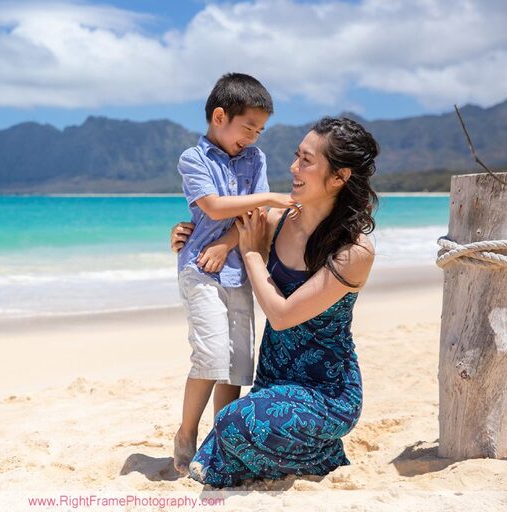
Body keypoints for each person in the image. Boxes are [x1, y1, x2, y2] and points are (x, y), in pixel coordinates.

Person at [170, 116, 378, 488]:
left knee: (233, 422)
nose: (293, 168)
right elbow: (218, 230)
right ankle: (302, 452)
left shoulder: (353, 251)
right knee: (235, 419)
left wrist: (252, 255)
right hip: (273, 383)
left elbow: (282, 316)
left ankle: (322, 452)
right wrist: (183, 235)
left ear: (339, 177)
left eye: (307, 161)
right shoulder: (277, 219)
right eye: (296, 157)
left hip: (325, 392)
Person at [173, 72, 299, 475]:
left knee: (238, 364)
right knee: (210, 357)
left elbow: (253, 215)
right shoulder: (193, 159)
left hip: (241, 268)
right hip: (201, 271)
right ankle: (186, 432)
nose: (254, 137)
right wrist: (271, 196)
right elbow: (212, 206)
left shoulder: (255, 159)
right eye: (249, 127)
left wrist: (227, 244)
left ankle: (220, 441)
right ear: (219, 116)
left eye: (261, 130)